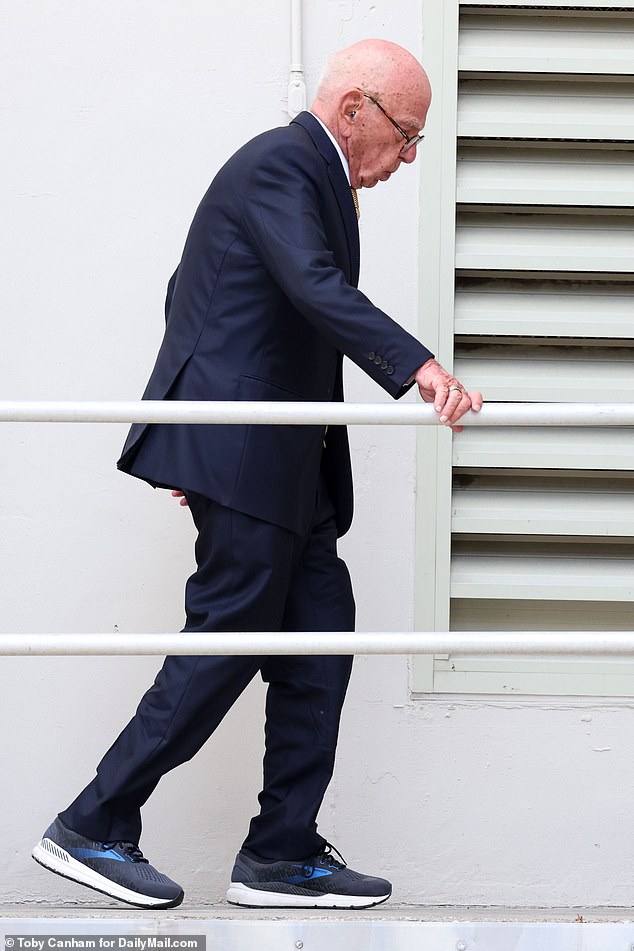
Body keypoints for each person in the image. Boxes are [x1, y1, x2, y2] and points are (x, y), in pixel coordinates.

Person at [32, 38, 482, 911]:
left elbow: (202, 291)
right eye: (407, 135)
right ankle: (93, 823)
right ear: (355, 110)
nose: (410, 157)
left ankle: (281, 850)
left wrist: (192, 421)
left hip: (285, 463)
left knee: (321, 633)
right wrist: (417, 364)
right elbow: (313, 287)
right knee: (231, 631)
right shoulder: (280, 163)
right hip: (249, 454)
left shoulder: (309, 180)